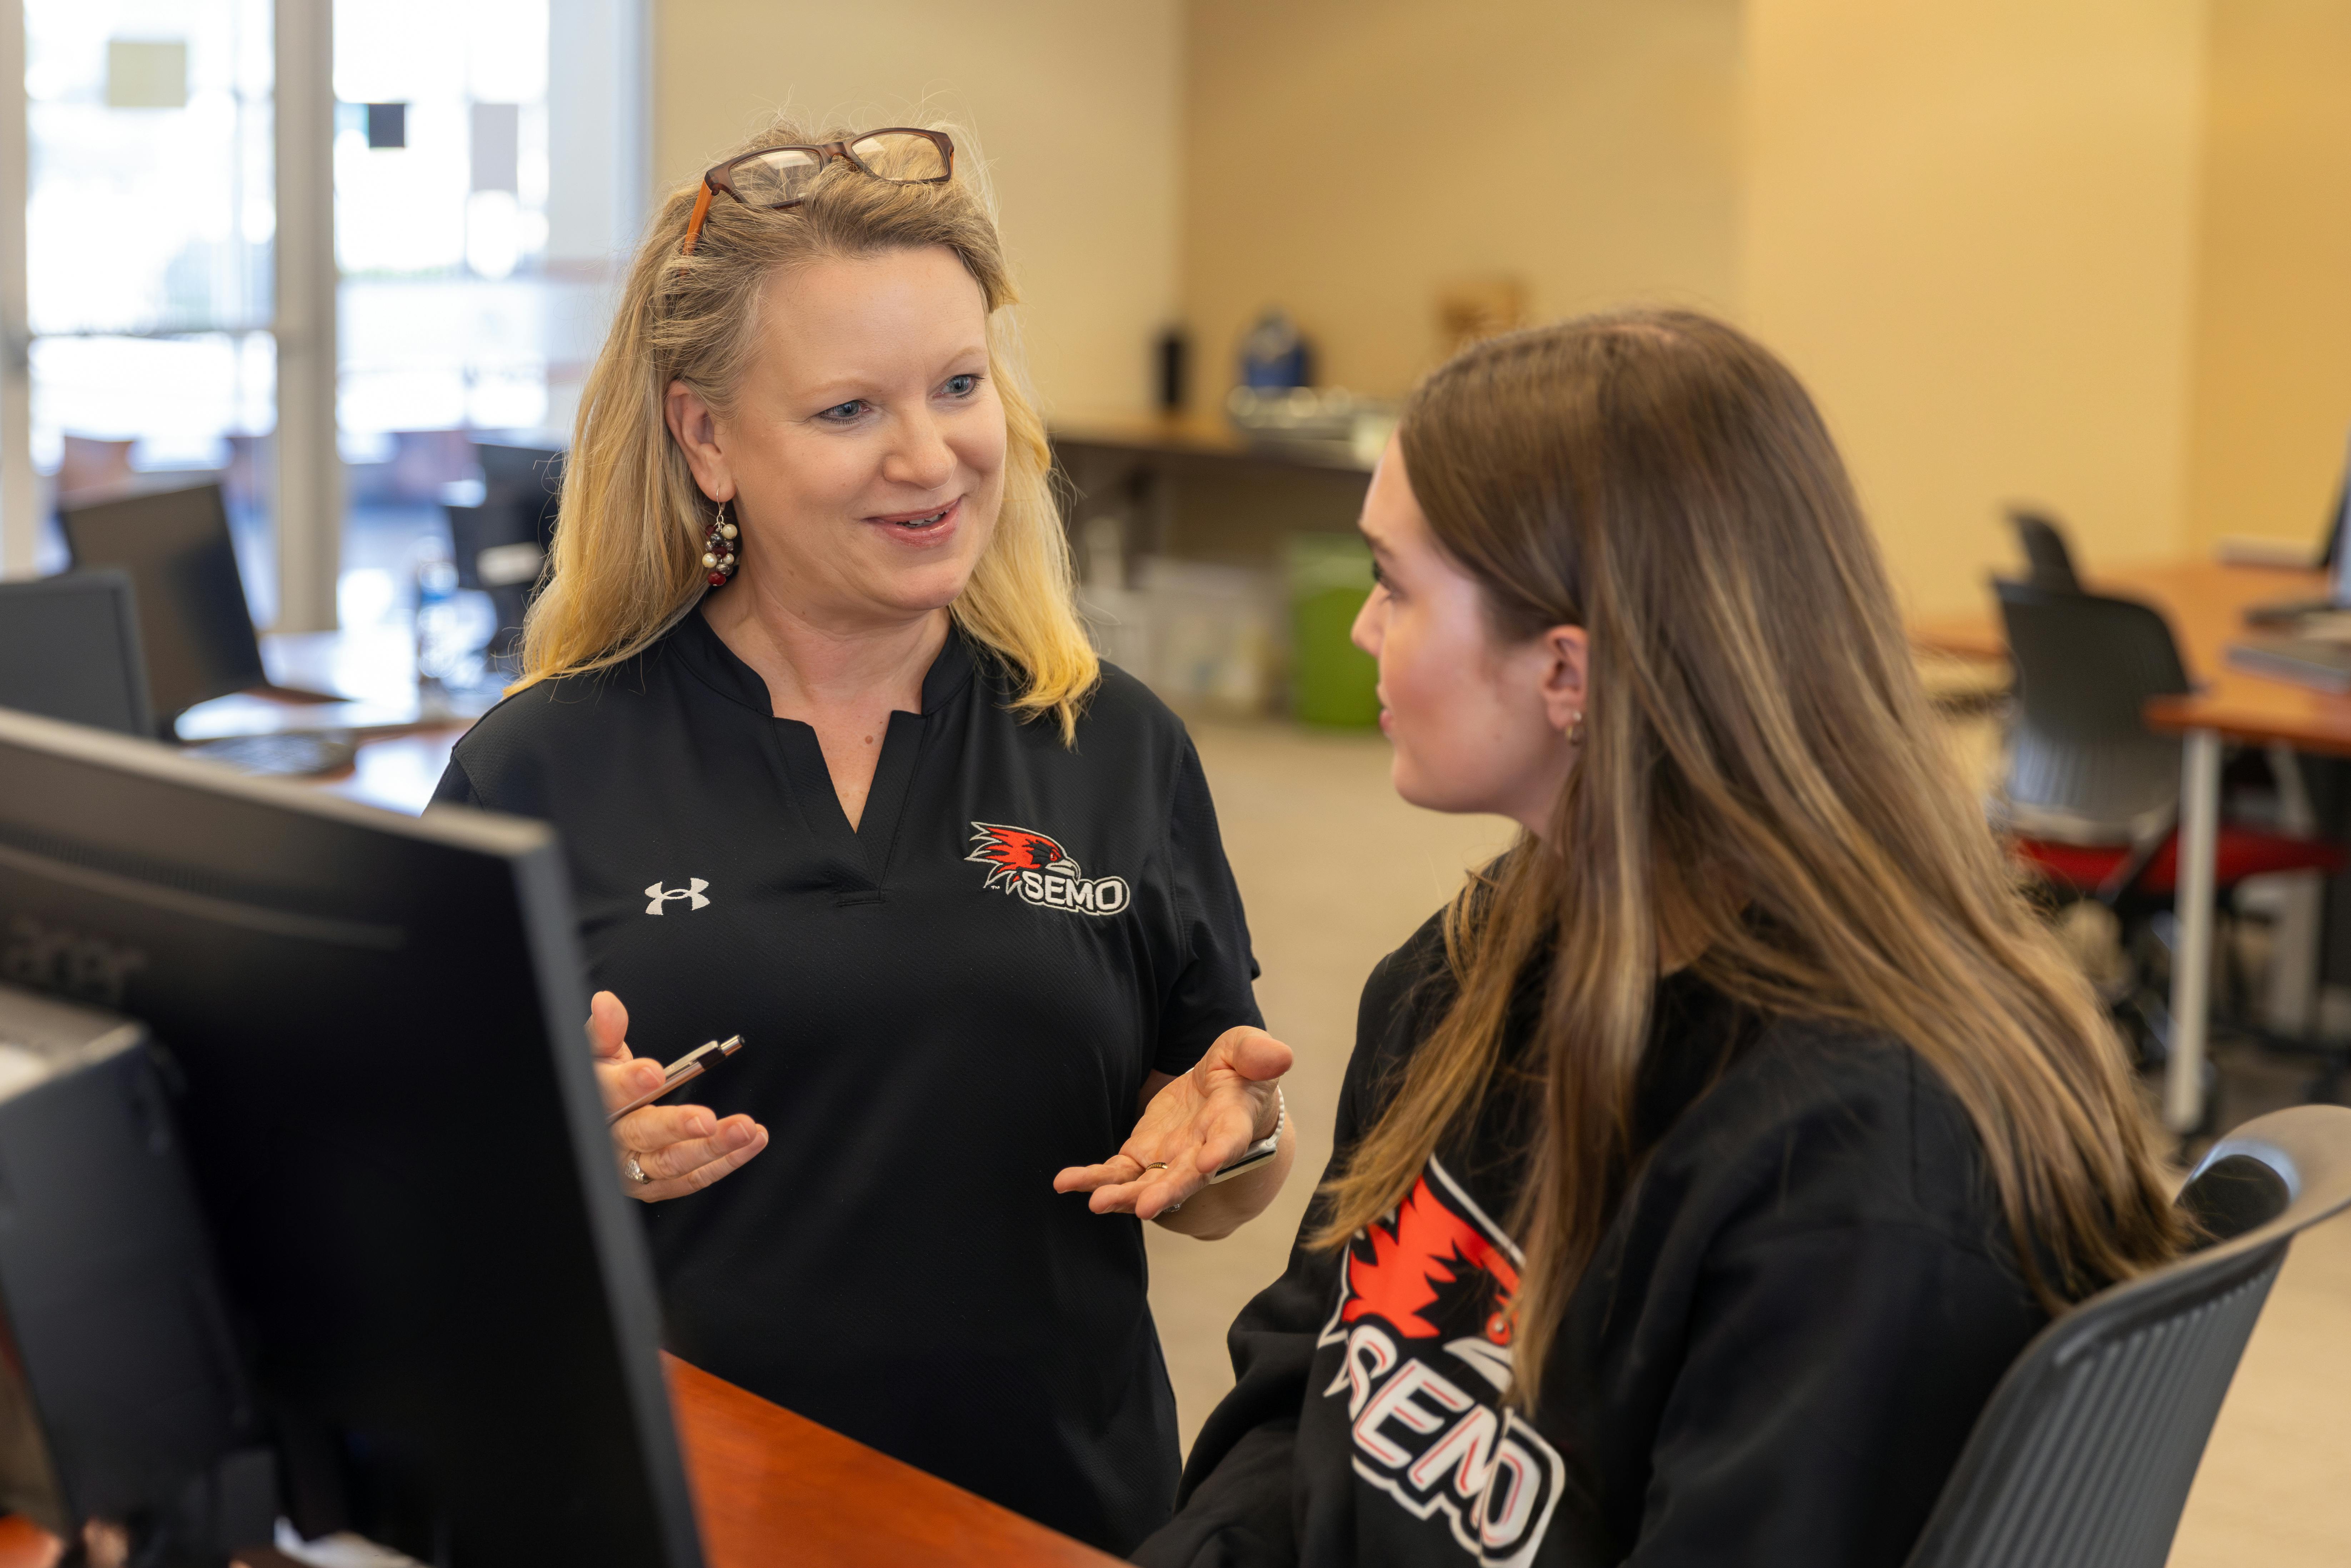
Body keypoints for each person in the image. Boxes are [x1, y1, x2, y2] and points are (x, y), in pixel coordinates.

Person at [1135, 309, 2190, 1568]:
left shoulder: (1866, 1160)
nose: (1363, 629)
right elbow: (1308, 1393)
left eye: (1395, 586)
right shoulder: (1462, 969)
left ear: (1567, 674)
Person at [430, 118, 1294, 1554]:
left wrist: (1232, 1133)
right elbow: (420, 1216)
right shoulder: (539, 766)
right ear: (706, 436)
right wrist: (557, 1159)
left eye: (956, 386)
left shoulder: (1111, 739)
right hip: (670, 1519)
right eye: (847, 411)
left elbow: (1212, 1174)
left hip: (1046, 1519)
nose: (930, 458)